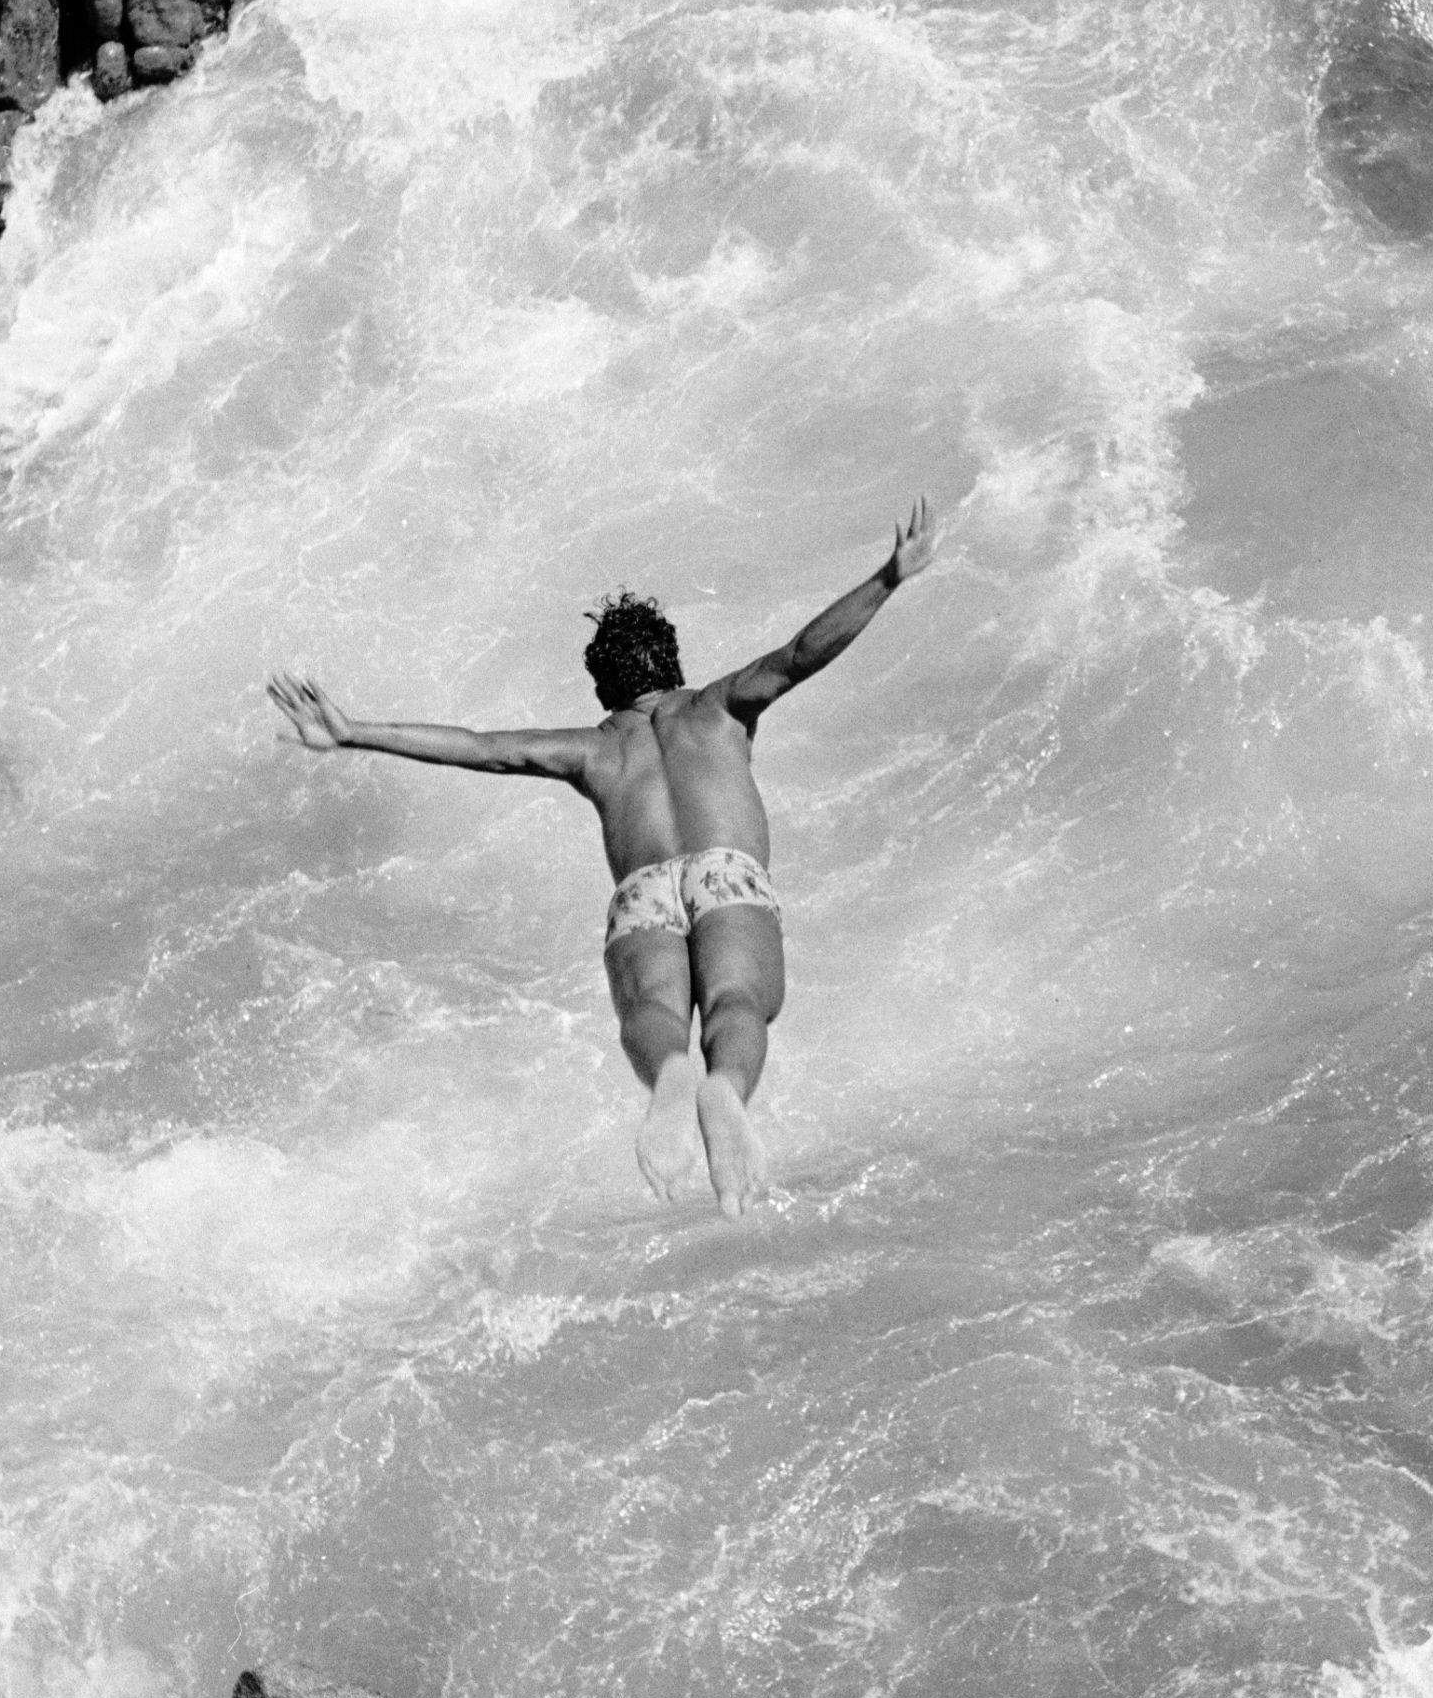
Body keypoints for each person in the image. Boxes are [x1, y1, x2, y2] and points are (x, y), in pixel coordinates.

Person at [267, 500, 937, 1214]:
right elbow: (803, 653)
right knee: (738, 1002)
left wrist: (354, 732)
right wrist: (887, 578)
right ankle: (725, 1088)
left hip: (643, 892)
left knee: (651, 1008)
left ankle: (673, 1073)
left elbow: (482, 746)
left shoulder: (594, 748)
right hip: (727, 871)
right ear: (672, 662)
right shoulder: (718, 708)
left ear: (602, 689)